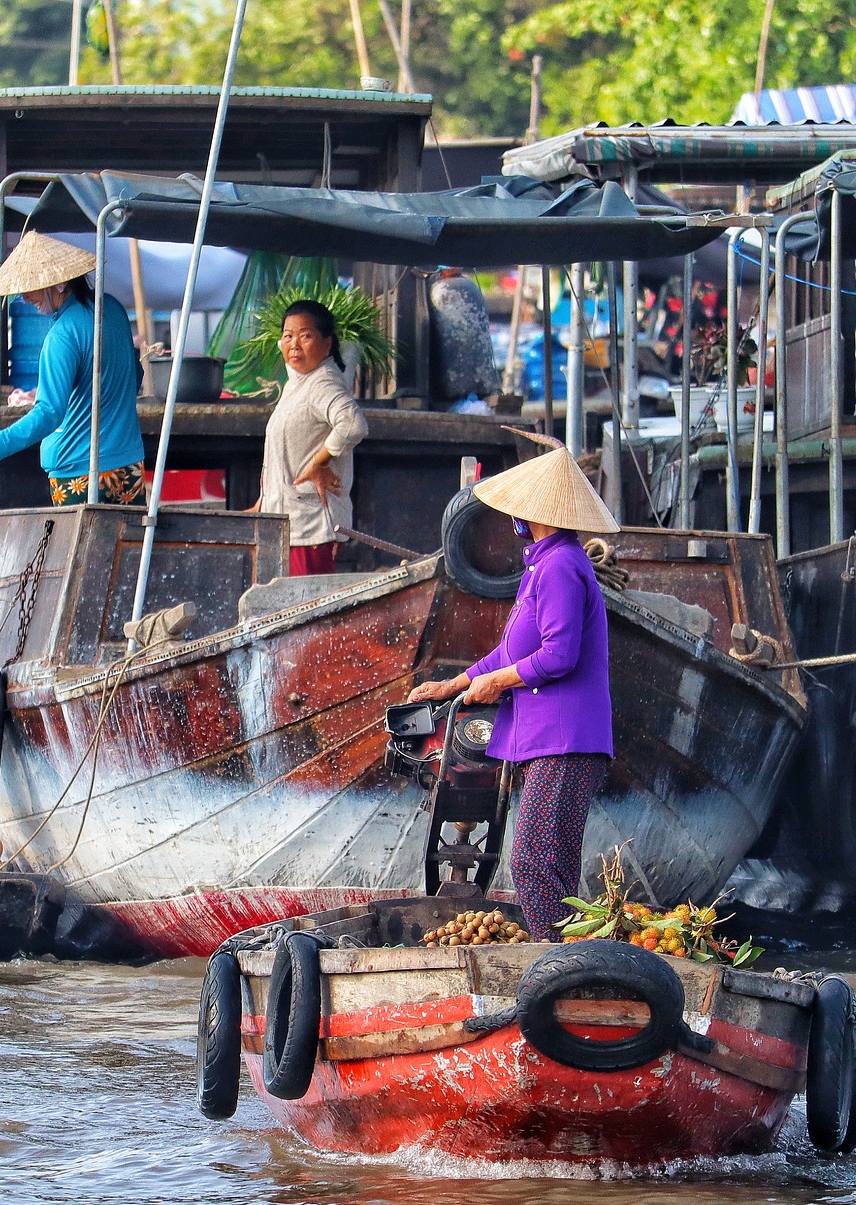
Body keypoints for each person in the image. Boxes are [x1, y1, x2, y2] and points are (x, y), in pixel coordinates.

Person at [407, 447, 618, 939]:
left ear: (535, 514)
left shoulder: (562, 565)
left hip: (566, 740)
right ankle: (573, 962)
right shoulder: (540, 568)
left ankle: (561, 966)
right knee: (554, 870)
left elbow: (559, 655)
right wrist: (451, 686)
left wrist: (498, 683)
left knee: (532, 865)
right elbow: (507, 654)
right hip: (550, 741)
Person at [0, 233, 145, 506]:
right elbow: (135, 377)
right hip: (129, 469)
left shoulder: (61, 336)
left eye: (31, 287)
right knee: (127, 548)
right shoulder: (113, 309)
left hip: (80, 476)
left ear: (60, 283)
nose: (25, 297)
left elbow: (49, 414)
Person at [254, 299, 368, 576]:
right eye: (288, 336)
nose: (294, 344)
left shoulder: (323, 382)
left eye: (305, 336)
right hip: (288, 524)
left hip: (311, 527)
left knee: (308, 609)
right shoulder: (298, 383)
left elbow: (353, 424)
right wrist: (264, 501)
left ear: (327, 344)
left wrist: (320, 462)